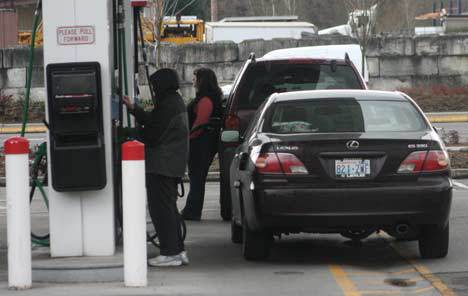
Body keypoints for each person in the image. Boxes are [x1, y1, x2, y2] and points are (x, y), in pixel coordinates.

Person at [123, 68, 189, 267]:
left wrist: (127, 133)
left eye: (154, 85)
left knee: (161, 210)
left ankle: (170, 253)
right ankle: (178, 250)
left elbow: (152, 134)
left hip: (162, 165)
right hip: (170, 164)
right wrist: (134, 108)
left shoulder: (169, 104)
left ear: (162, 84)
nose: (152, 89)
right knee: (168, 209)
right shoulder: (173, 101)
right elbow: (154, 122)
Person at [182, 68, 222, 221]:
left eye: (195, 78)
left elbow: (200, 123)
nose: (192, 81)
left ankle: (192, 211)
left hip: (200, 144)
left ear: (202, 80)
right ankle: (192, 209)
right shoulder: (211, 97)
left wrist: (188, 138)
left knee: (197, 177)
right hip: (204, 143)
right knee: (197, 177)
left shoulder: (205, 99)